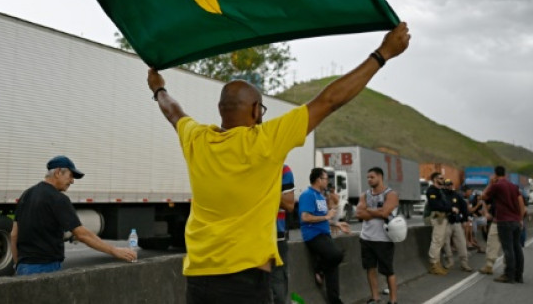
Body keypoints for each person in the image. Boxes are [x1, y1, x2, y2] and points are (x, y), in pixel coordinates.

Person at [147, 23, 410, 303]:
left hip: (199, 280)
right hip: (247, 283)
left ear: (220, 110)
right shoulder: (266, 140)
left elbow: (173, 111)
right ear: (254, 110)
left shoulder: (197, 139)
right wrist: (382, 54)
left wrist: (158, 88)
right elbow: (330, 101)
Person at [11, 155, 137, 275]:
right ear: (58, 172)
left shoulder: (26, 194)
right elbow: (82, 235)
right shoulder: (58, 199)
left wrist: (18, 264)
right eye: (70, 176)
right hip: (46, 267)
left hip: (24, 266)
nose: (72, 181)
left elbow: (14, 234)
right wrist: (115, 251)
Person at [300, 167, 352, 304]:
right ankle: (319, 268)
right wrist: (326, 216)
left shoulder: (321, 197)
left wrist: (337, 224)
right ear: (318, 180)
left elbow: (323, 217)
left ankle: (335, 300)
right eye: (325, 178)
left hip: (324, 234)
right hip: (313, 235)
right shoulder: (308, 195)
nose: (327, 181)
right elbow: (305, 217)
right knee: (336, 255)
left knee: (333, 267)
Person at [356, 166, 399, 304]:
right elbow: (359, 214)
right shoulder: (364, 195)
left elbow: (385, 213)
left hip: (384, 239)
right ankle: (375, 297)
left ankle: (393, 300)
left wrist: (368, 210)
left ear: (380, 177)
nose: (369, 180)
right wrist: (376, 211)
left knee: (388, 271)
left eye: (372, 177)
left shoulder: (391, 194)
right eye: (368, 177)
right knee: (370, 268)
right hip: (366, 238)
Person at [482, 166, 526, 284]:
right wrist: (521, 219)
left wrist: (491, 183)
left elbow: (483, 196)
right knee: (517, 247)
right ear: (505, 174)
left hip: (504, 221)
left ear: (495, 174)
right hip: (516, 221)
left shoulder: (497, 186)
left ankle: (508, 275)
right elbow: (521, 202)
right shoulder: (513, 186)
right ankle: (519, 275)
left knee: (508, 249)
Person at [270, 164, 296, 304]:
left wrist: (265, 188)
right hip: (250, 236)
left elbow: (289, 205)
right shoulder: (248, 165)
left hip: (277, 237)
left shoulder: (283, 170)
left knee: (278, 284)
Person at [425, 171, 452, 275]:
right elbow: (435, 205)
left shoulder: (440, 191)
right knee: (436, 241)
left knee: (440, 241)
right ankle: (433, 264)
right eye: (440, 178)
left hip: (443, 217)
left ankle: (437, 264)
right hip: (438, 217)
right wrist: (449, 208)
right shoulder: (432, 190)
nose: (443, 180)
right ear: (435, 179)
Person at [442, 180, 473, 272]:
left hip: (456, 221)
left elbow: (464, 207)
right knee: (446, 243)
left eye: (450, 184)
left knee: (461, 242)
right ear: (444, 186)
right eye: (447, 185)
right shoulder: (442, 195)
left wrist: (465, 220)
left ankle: (464, 263)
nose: (449, 187)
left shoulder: (457, 195)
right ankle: (449, 261)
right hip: (446, 221)